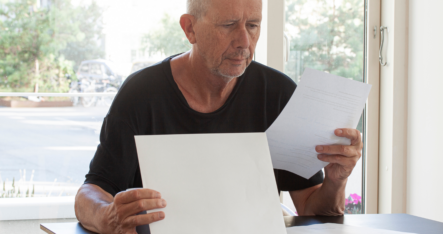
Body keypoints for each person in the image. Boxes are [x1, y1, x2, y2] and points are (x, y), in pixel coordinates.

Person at [74, 0, 363, 233]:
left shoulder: (277, 94)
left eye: (252, 26)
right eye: (228, 25)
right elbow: (91, 191)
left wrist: (336, 180)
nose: (243, 41)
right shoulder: (142, 94)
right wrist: (107, 215)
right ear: (190, 29)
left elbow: (313, 211)